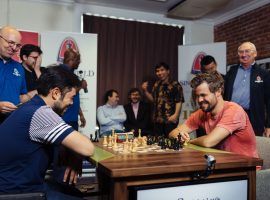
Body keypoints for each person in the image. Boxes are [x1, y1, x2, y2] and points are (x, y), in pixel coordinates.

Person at [0, 66, 95, 199]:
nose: (72, 103)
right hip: (17, 192)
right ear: (56, 93)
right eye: (71, 97)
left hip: (18, 184)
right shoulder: (41, 113)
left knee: (75, 193)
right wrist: (77, 151)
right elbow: (88, 148)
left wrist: (72, 152)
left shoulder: (31, 106)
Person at [169, 72, 258, 158]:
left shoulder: (234, 111)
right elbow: (172, 133)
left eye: (203, 95)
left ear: (218, 91)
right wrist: (181, 136)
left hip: (246, 168)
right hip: (222, 164)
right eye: (197, 96)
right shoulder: (202, 113)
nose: (199, 100)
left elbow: (209, 142)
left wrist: (190, 141)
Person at [224, 42, 270, 137]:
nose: (244, 54)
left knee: (251, 148)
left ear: (255, 54)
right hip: (231, 116)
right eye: (241, 52)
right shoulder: (232, 71)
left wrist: (269, 125)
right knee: (229, 145)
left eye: (247, 51)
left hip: (253, 119)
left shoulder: (263, 74)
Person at [142, 62, 184, 137]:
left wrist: (176, 115)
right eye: (157, 71)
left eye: (162, 70)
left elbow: (179, 100)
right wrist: (145, 91)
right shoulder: (156, 84)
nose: (159, 73)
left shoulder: (175, 84)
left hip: (170, 120)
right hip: (157, 120)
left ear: (168, 71)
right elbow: (153, 100)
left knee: (170, 143)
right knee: (158, 143)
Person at [0, 26, 29, 123]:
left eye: (18, 45)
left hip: (11, 123)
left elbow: (21, 96)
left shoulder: (19, 68)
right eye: (11, 42)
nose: (14, 48)